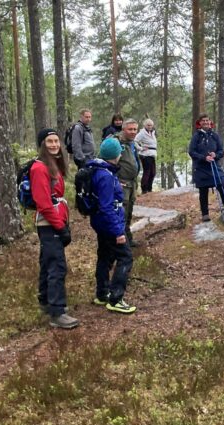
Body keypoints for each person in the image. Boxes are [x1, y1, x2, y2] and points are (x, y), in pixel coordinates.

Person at [31, 128, 79, 329]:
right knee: (57, 266)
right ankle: (57, 313)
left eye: (56, 141)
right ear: (42, 144)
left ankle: (46, 301)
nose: (54, 145)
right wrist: (60, 227)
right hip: (49, 224)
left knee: (47, 262)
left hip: (54, 222)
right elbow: (44, 204)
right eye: (49, 141)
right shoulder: (40, 169)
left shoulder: (51, 165)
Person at [86, 138, 137, 314]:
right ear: (115, 155)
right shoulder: (106, 176)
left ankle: (102, 294)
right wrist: (118, 232)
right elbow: (106, 207)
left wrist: (116, 186)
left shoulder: (100, 171)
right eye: (119, 152)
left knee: (105, 256)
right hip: (109, 225)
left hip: (100, 223)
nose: (121, 154)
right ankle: (116, 298)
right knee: (125, 258)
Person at [188, 113, 224, 222]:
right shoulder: (196, 136)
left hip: (214, 166)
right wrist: (204, 158)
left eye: (207, 120)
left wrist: (215, 155)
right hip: (201, 168)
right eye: (203, 120)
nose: (205, 122)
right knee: (203, 190)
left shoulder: (215, 135)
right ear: (200, 123)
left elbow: (221, 151)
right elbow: (192, 152)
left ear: (210, 122)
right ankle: (205, 214)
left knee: (222, 185)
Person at [117, 118, 141, 247]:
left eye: (135, 129)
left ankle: (128, 239)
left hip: (132, 184)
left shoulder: (132, 143)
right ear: (123, 129)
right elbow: (105, 162)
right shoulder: (116, 143)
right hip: (122, 184)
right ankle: (121, 241)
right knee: (122, 212)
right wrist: (115, 180)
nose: (133, 132)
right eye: (130, 129)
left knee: (129, 211)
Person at [135, 118, 157, 193]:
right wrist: (140, 148)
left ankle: (149, 188)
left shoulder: (152, 133)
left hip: (152, 154)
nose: (149, 126)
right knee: (147, 172)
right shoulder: (142, 133)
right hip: (145, 154)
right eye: (148, 125)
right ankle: (144, 189)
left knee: (153, 173)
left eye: (151, 125)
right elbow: (135, 141)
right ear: (145, 125)